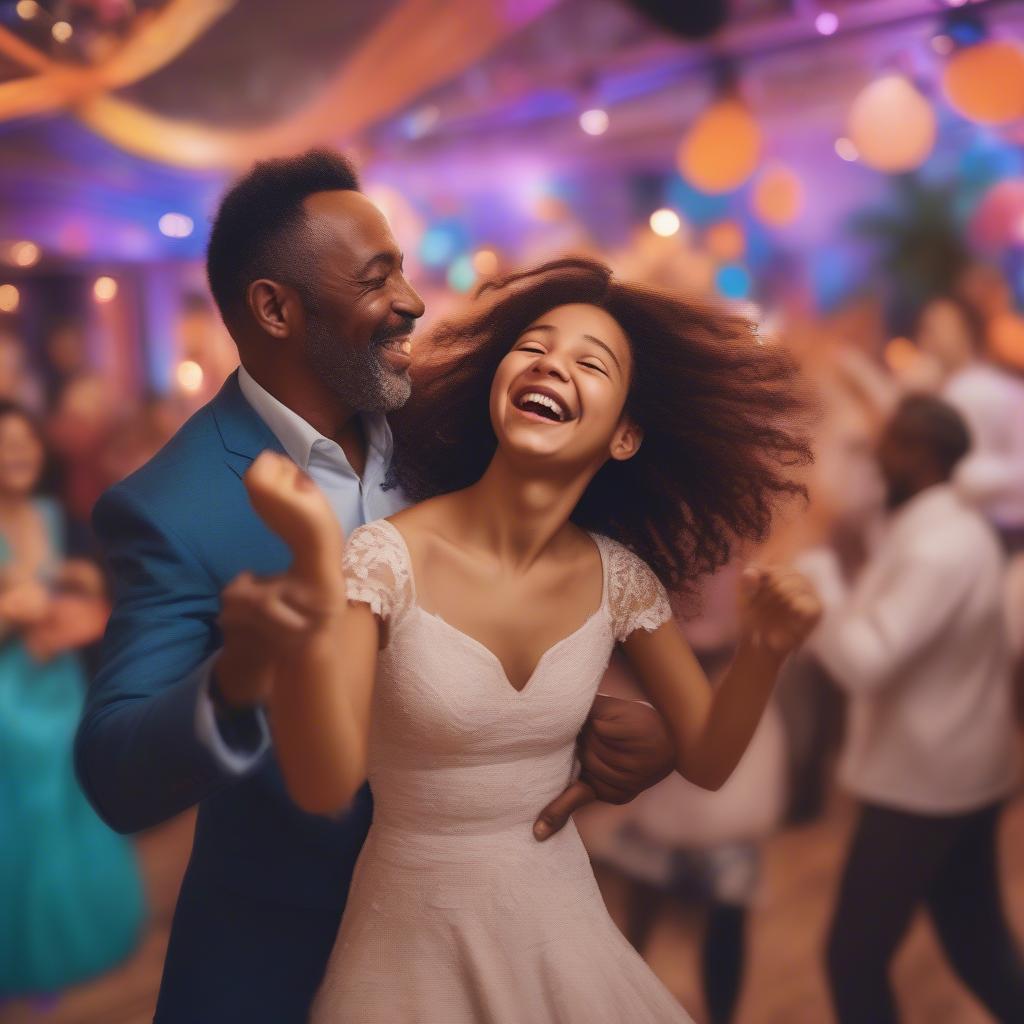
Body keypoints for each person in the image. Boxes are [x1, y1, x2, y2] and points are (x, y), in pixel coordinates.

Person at [75, 151, 680, 1023]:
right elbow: (115, 774)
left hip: (484, 935)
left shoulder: (456, 432)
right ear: (275, 309)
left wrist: (614, 727)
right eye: (376, 277)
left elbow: (516, 606)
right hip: (285, 953)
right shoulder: (172, 507)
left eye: (399, 268)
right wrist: (238, 679)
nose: (412, 300)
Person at [238, 255, 822, 1022]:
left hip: (562, 931)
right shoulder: (382, 559)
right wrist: (318, 567)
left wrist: (766, 648)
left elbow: (708, 758)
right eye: (535, 346)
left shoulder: (622, 579)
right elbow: (326, 783)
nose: (552, 365)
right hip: (409, 939)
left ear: (624, 435)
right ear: (497, 381)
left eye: (591, 362)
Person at [801, 394, 1024, 1024]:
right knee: (979, 949)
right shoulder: (947, 524)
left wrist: (819, 583)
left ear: (922, 457)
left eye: (891, 440)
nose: (877, 450)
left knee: (853, 959)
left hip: (925, 786)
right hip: (958, 773)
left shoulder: (940, 548)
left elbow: (865, 662)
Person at [0, 401, 144, 996]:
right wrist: (11, 612)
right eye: (7, 446)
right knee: (26, 818)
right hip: (8, 697)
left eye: (26, 443)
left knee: (72, 801)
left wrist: (80, 590)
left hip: (60, 682)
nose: (19, 455)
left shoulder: (52, 516)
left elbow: (86, 594)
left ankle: (80, 941)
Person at [915, 295, 1024, 550]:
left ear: (966, 332)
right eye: (926, 327)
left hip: (1001, 528)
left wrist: (965, 478)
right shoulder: (954, 389)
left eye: (939, 327)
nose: (929, 337)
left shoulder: (977, 390)